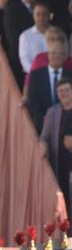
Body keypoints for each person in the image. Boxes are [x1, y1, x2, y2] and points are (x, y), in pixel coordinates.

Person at [26, 39, 72, 133]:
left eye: (60, 54)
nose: (56, 56)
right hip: (42, 125)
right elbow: (32, 100)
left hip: (67, 126)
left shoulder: (70, 75)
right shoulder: (35, 75)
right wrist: (46, 118)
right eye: (53, 53)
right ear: (48, 54)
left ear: (64, 57)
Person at [40, 76, 72, 205]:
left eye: (67, 90)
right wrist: (42, 147)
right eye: (60, 91)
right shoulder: (52, 112)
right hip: (60, 165)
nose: (64, 94)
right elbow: (44, 137)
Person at [19, 0, 52, 73]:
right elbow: (25, 60)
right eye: (38, 14)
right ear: (33, 16)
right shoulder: (25, 36)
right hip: (33, 76)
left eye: (44, 14)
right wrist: (36, 75)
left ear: (49, 15)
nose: (41, 18)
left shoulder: (56, 33)